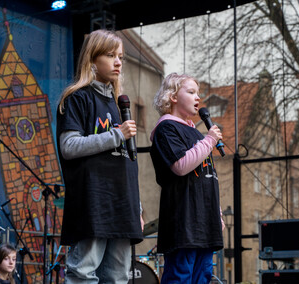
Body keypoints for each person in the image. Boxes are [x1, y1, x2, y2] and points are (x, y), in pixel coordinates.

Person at [56, 29, 143, 283]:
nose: (118, 62)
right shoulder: (77, 98)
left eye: (120, 57)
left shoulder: (119, 104)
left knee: (117, 276)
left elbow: (128, 161)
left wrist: (136, 206)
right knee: (83, 272)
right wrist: (116, 135)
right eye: (110, 55)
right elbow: (69, 146)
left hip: (122, 204)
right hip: (93, 201)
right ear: (92, 59)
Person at [150, 73, 225, 283]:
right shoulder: (167, 128)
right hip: (183, 221)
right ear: (173, 96)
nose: (197, 98)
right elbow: (181, 165)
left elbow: (208, 178)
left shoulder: (198, 135)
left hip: (204, 222)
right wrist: (210, 139)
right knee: (181, 275)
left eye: (198, 93)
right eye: (191, 92)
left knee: (203, 276)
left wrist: (216, 212)